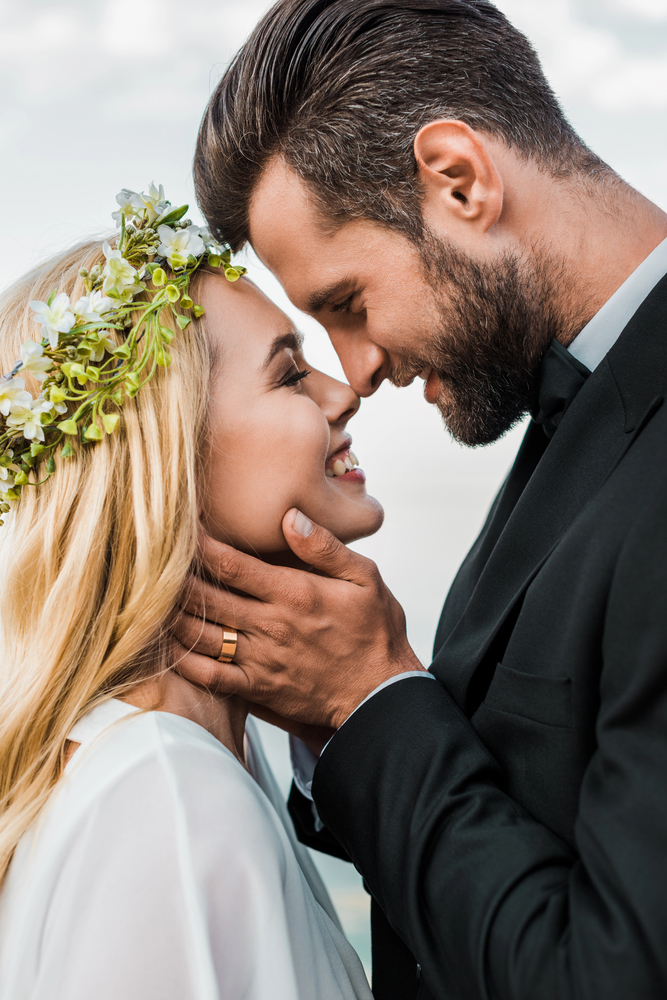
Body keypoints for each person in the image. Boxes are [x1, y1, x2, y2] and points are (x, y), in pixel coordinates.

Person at [178, 1, 667, 998]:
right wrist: (335, 713)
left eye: (347, 304)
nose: (352, 372)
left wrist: (369, 697)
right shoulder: (571, 418)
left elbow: (612, 973)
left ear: (458, 179)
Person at [0, 184, 378, 1000]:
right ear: (172, 460)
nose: (342, 392)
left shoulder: (189, 767)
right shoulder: (166, 794)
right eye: (287, 375)